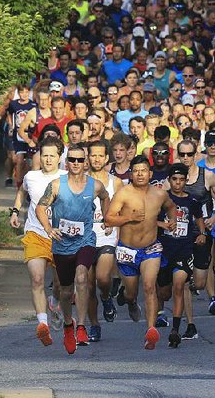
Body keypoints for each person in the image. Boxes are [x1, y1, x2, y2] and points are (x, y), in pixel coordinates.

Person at [35, 144, 110, 354]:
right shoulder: (57, 185)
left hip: (85, 240)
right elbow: (41, 207)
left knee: (82, 277)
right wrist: (48, 228)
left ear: (85, 162)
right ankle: (69, 325)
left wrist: (107, 217)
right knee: (66, 291)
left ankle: (82, 326)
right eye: (72, 160)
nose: (76, 164)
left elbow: (105, 197)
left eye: (79, 160)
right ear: (66, 162)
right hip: (62, 244)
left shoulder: (94, 185)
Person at [104, 155, 178, 350]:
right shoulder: (124, 193)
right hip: (127, 250)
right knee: (131, 293)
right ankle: (130, 302)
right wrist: (129, 217)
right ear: (131, 174)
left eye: (143, 171)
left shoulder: (159, 194)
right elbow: (109, 219)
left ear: (150, 173)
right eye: (136, 171)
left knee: (149, 286)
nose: (139, 174)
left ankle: (151, 330)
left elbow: (171, 207)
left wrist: (172, 221)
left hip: (151, 248)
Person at [10, 137, 66, 346]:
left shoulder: (67, 177)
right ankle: (43, 324)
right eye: (45, 155)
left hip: (61, 237)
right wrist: (15, 211)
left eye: (52, 155)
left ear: (60, 157)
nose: (48, 159)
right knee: (37, 279)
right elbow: (22, 191)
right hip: (35, 234)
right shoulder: (31, 176)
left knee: (60, 284)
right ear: (39, 157)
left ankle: (56, 301)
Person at [179, 137, 215, 337]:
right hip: (180, 236)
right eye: (181, 154)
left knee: (199, 283)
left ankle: (196, 279)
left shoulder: (206, 176)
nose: (185, 158)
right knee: (182, 280)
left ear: (195, 155)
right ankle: (190, 325)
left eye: (189, 154)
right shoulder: (173, 178)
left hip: (202, 233)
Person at [157, 163, 206, 348]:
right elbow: (151, 219)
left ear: (186, 181)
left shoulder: (192, 201)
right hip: (164, 250)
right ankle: (162, 310)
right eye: (174, 180)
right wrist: (163, 225)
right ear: (169, 181)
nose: (178, 183)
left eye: (181, 180)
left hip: (184, 251)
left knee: (179, 287)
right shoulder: (162, 199)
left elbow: (199, 218)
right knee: (165, 292)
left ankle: (175, 330)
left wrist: (202, 233)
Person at [85, 139, 123, 343]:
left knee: (103, 278)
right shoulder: (79, 180)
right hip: (84, 237)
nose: (97, 159)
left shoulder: (114, 182)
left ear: (107, 158)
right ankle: (94, 326)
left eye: (100, 155)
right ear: (87, 157)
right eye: (93, 155)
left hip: (106, 235)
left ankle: (107, 298)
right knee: (89, 285)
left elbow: (123, 205)